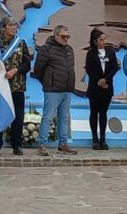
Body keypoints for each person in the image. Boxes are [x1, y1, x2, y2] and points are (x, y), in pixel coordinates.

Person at [33, 25, 77, 156]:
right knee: (47, 117)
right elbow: (38, 70)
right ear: (56, 35)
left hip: (67, 90)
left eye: (68, 36)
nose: (66, 39)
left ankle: (63, 144)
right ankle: (42, 144)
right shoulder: (46, 49)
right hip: (52, 90)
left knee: (63, 118)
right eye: (63, 36)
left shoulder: (69, 49)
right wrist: (48, 82)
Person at [0, 18, 32, 156]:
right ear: (3, 28)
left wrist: (16, 70)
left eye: (15, 25)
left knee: (18, 117)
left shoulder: (20, 44)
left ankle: (16, 145)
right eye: (10, 25)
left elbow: (27, 64)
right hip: (0, 87)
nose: (14, 27)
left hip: (17, 86)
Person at [85, 28, 119, 151]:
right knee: (94, 112)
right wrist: (99, 80)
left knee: (103, 113)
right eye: (101, 40)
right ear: (95, 41)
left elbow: (114, 67)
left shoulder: (110, 51)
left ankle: (103, 138)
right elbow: (89, 70)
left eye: (104, 39)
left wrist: (106, 80)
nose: (104, 42)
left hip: (107, 87)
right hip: (95, 87)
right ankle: (94, 138)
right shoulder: (90, 54)